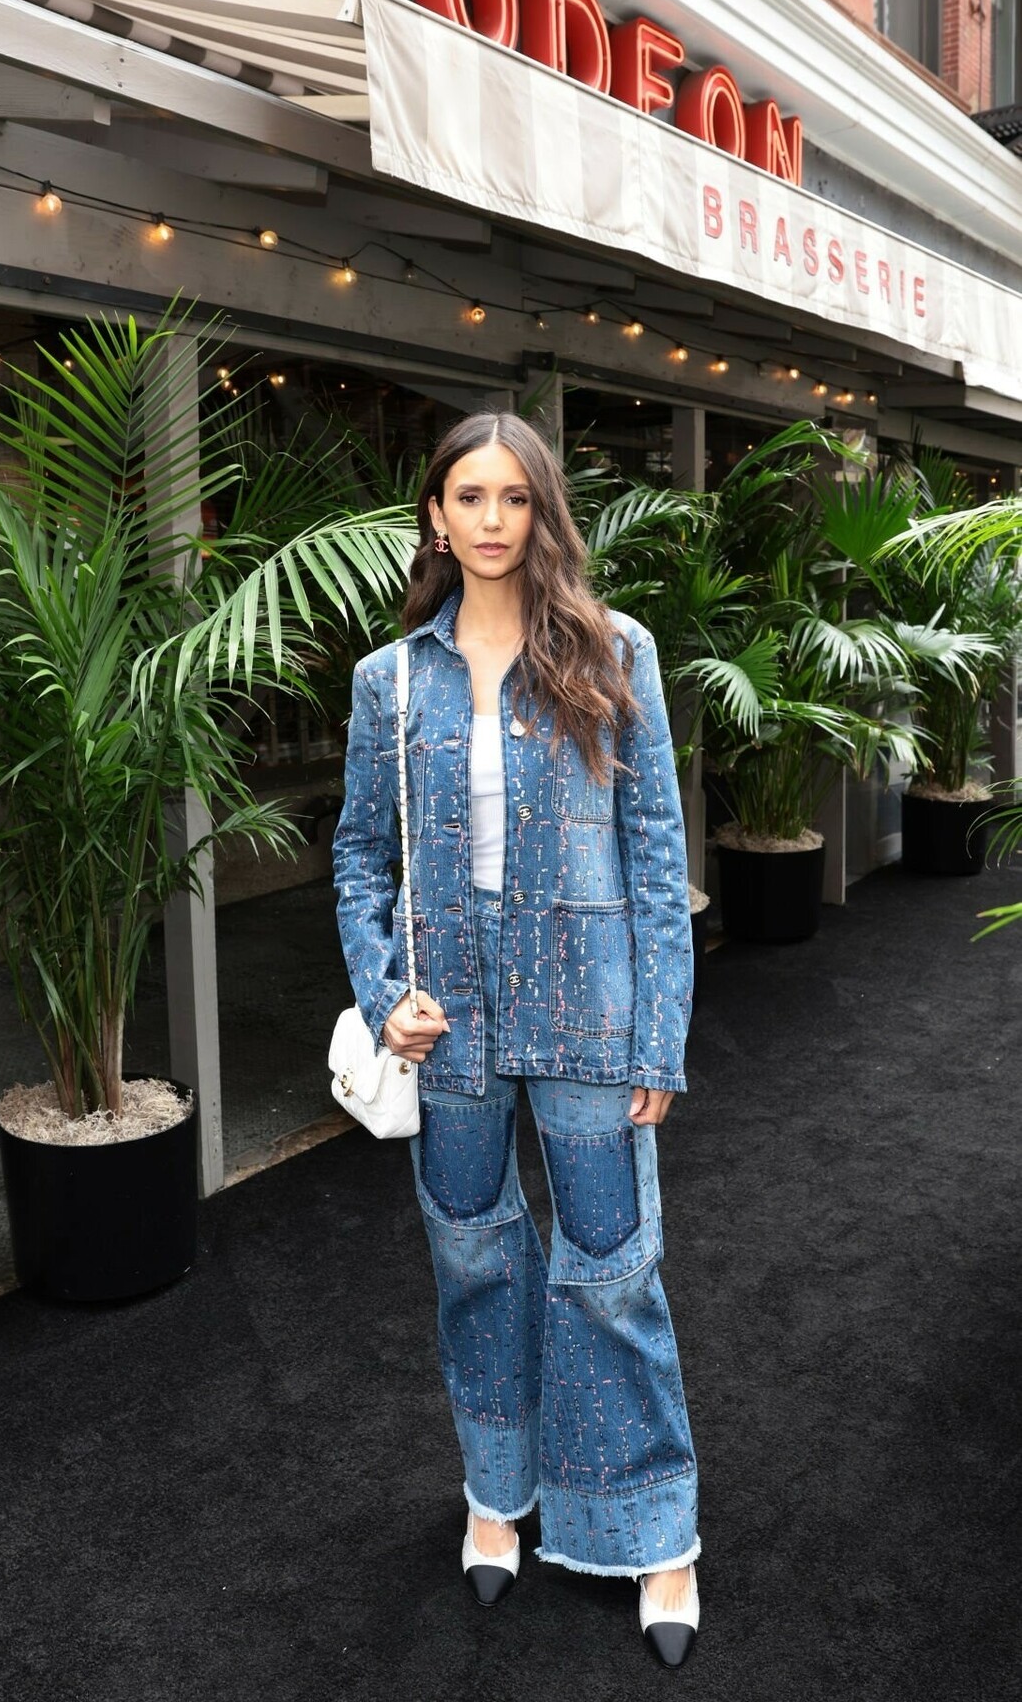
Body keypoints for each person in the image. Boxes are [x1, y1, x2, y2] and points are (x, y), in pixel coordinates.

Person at [331, 411, 700, 1668]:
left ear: (541, 512)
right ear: (435, 517)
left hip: (589, 1006)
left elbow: (655, 854)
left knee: (611, 1268)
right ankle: (499, 1492)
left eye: (513, 497)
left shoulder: (616, 650)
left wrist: (658, 1037)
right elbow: (357, 855)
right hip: (451, 1022)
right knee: (472, 1258)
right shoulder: (390, 681)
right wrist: (383, 990)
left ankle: (653, 1529)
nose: (490, 519)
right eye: (467, 497)